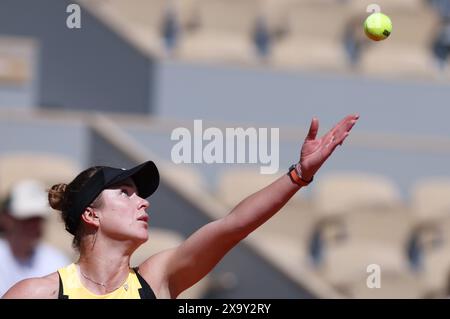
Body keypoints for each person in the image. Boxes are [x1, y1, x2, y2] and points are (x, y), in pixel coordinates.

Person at [2, 114, 359, 299]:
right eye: (125, 193)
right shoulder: (38, 293)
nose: (142, 201)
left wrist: (298, 175)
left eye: (139, 194)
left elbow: (232, 226)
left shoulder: (156, 281)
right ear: (91, 215)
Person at [0, 179, 70, 296]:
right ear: (6, 218)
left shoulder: (56, 260)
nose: (33, 226)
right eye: (27, 219)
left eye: (38, 219)